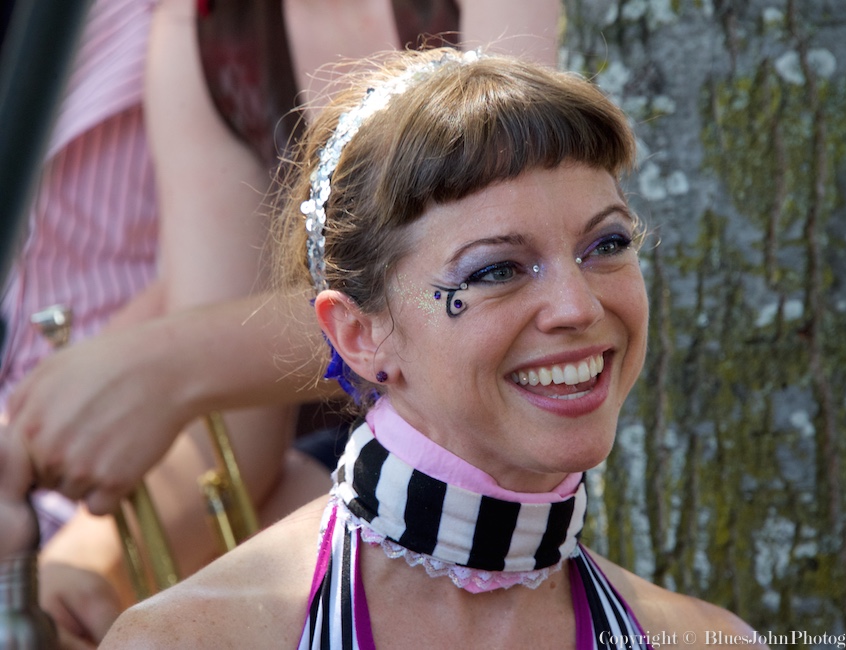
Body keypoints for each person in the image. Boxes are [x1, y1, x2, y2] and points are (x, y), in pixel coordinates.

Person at [100, 47, 763, 649]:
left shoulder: (707, 641)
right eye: (496, 270)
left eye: (606, 245)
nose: (578, 308)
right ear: (361, 335)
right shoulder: (192, 640)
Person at [2, 1, 562, 646]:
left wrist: (169, 363)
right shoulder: (201, 28)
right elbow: (236, 429)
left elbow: (516, 282)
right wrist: (83, 571)